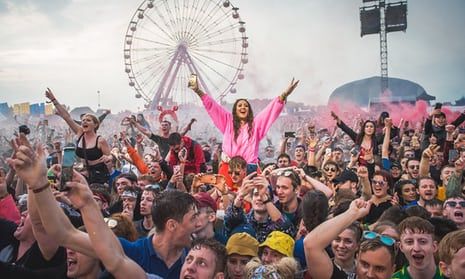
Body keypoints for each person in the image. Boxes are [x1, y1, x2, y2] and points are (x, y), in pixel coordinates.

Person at [189, 76, 299, 177]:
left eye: (246, 105)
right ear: (235, 110)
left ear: (249, 110)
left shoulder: (256, 125)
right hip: (229, 168)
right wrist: (198, 91)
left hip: (249, 168)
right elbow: (213, 106)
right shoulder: (227, 122)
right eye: (240, 105)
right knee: (225, 196)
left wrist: (284, 94)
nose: (243, 107)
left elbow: (269, 111)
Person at [45, 88, 111, 184]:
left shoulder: (100, 140)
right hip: (83, 172)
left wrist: (109, 158)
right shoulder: (80, 133)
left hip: (98, 175)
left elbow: (110, 159)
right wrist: (53, 100)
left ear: (95, 125)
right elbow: (67, 117)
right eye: (83, 120)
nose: (84, 121)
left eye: (88, 120)